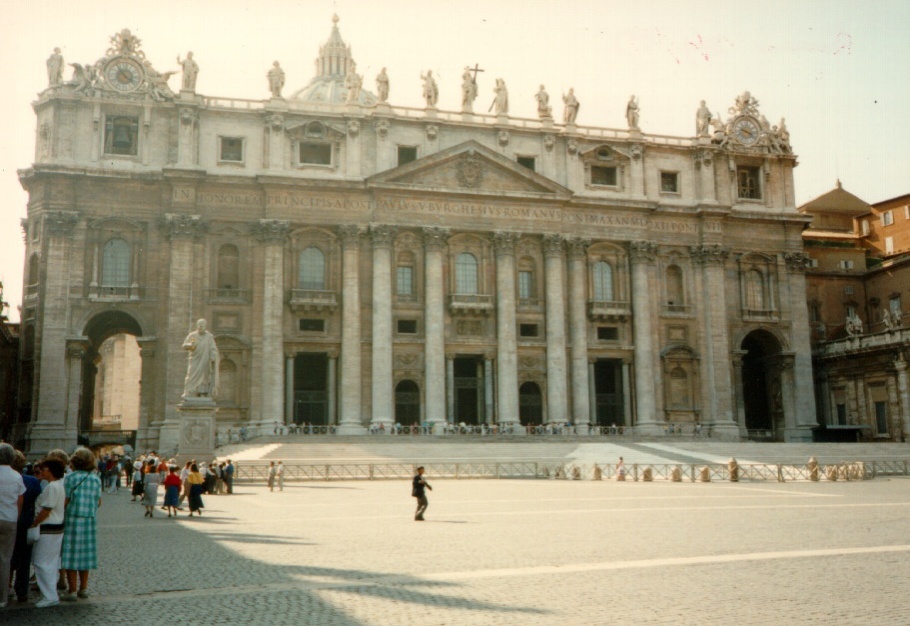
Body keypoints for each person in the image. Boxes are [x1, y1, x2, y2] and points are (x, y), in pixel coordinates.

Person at [61, 447, 102, 601]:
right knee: (86, 556)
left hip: (72, 519)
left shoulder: (70, 478)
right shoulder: (96, 479)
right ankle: (83, 588)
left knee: (71, 555)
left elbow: (66, 500)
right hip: (89, 521)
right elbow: (99, 502)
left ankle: (72, 590)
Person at [30, 459, 66, 608]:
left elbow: (46, 509)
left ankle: (49, 595)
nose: (42, 471)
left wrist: (35, 523)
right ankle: (51, 594)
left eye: (44, 469)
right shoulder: (59, 485)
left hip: (48, 528)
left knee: (40, 562)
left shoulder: (52, 487)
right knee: (50, 563)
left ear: (49, 470)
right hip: (56, 528)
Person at [11, 450, 40, 605]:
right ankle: (22, 592)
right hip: (26, 522)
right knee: (24, 559)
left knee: (6, 556)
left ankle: (6, 586)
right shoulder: (33, 481)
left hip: (9, 520)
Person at [0, 443, 25, 608]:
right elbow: (20, 501)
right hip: (9, 520)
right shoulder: (16, 476)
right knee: (4, 559)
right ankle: (2, 597)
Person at [182, 318, 219, 399]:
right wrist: (190, 345)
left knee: (204, 377)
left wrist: (213, 355)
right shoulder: (192, 335)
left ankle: (202, 393)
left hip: (205, 360)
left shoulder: (209, 337)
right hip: (194, 359)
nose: (200, 326)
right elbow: (184, 345)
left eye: (202, 325)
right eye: (199, 324)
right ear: (197, 325)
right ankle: (189, 392)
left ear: (205, 326)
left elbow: (213, 348)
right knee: (190, 374)